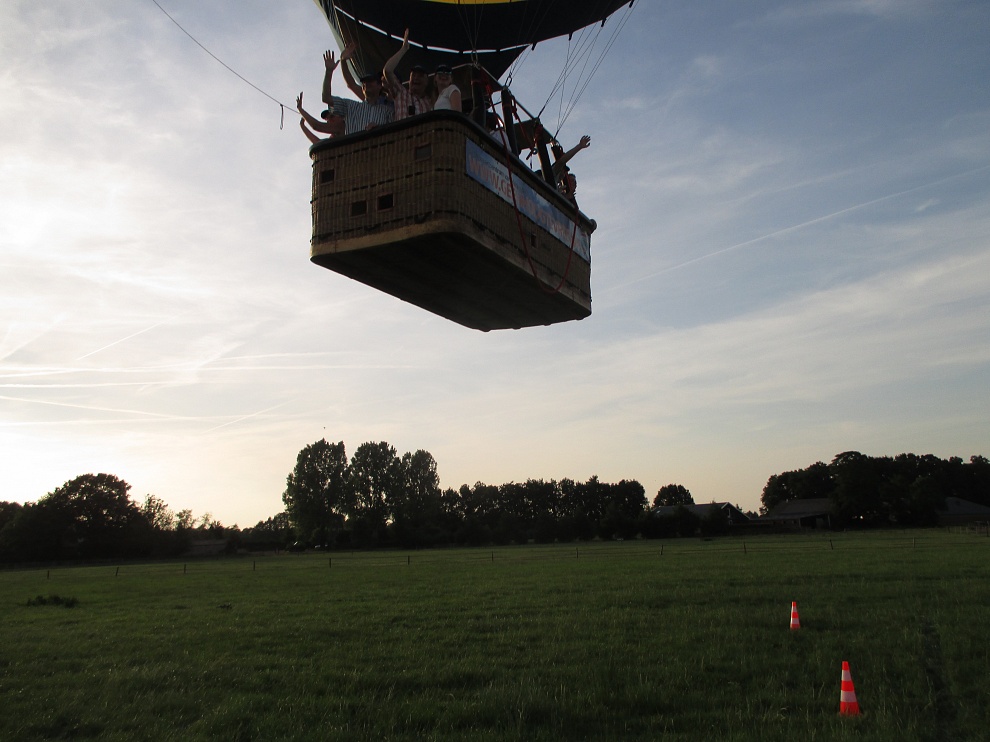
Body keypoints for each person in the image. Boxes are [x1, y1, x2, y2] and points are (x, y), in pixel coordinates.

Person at [320, 49, 394, 134]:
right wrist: (329, 72)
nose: (366, 84)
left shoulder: (387, 111)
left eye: (370, 81)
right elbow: (326, 98)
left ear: (379, 86)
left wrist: (379, 128)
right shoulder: (350, 106)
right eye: (364, 82)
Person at [383, 29, 433, 120]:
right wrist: (404, 49)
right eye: (413, 75)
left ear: (426, 81)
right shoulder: (401, 92)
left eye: (420, 76)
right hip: (403, 130)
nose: (416, 78)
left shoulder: (429, 102)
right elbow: (388, 70)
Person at [551, 135, 591, 204]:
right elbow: (562, 162)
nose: (563, 173)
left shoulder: (559, 189)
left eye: (574, 182)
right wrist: (579, 146)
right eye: (571, 181)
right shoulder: (552, 174)